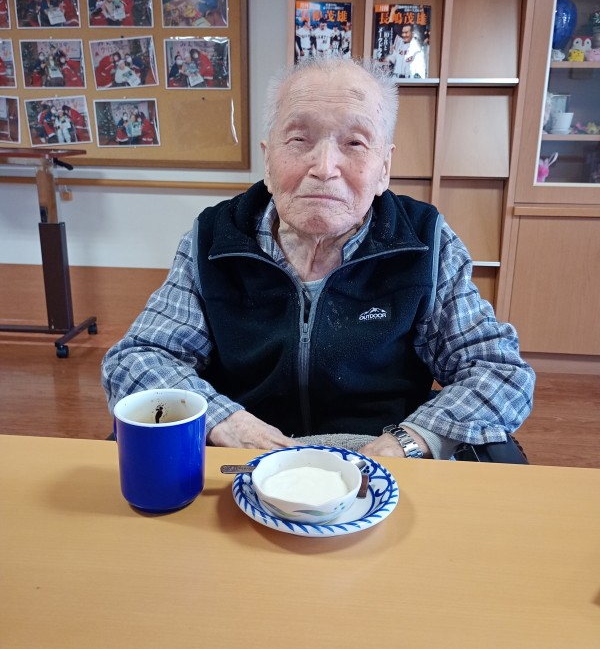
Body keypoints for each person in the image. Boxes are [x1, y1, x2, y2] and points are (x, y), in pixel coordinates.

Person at [102, 57, 534, 458]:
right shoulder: (214, 239)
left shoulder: (425, 243)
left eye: (355, 142)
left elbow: (498, 371)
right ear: (268, 160)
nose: (325, 167)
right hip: (248, 455)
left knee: (500, 458)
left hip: (381, 453)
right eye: (299, 139)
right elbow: (137, 358)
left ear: (384, 168)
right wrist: (224, 421)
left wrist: (408, 442)